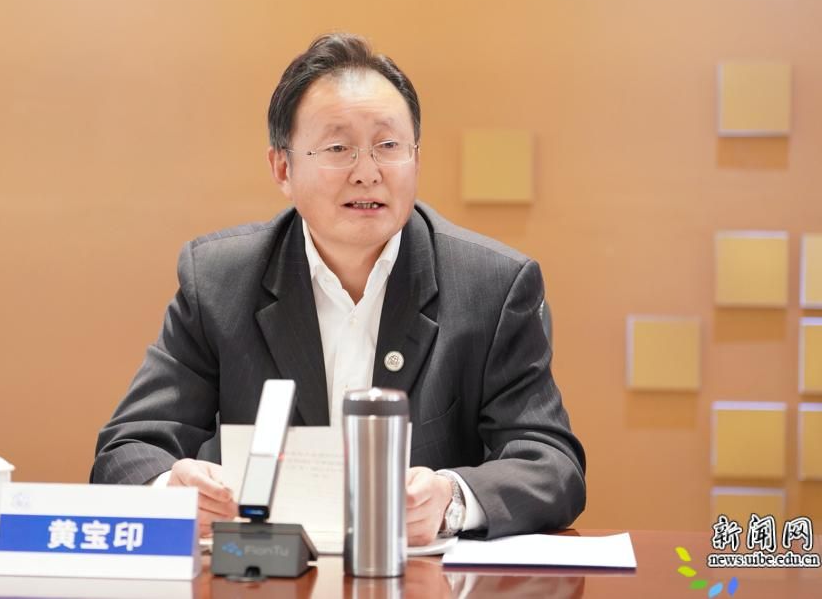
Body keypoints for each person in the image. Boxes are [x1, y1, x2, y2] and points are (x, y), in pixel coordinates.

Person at [91, 33, 586, 545]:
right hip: (264, 573)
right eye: (338, 148)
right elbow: (127, 451)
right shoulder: (220, 281)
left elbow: (552, 465)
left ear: (416, 160)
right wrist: (172, 489)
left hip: (420, 576)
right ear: (282, 168)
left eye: (388, 146)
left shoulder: (491, 286)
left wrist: (451, 499)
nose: (367, 173)